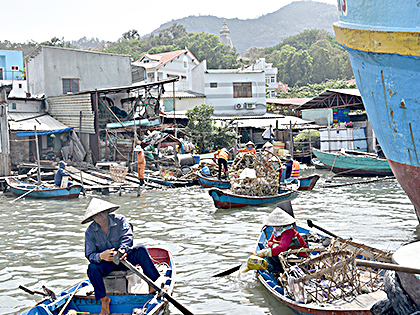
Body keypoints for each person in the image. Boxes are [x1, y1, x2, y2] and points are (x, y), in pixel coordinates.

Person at [82, 198, 160, 315]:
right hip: (107, 263)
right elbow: (90, 254)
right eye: (96, 215)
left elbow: (128, 237)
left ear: (107, 212)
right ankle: (104, 300)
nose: (100, 217)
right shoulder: (90, 232)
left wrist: (122, 250)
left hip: (125, 259)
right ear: (92, 218)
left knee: (141, 250)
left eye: (102, 213)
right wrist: (101, 256)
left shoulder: (120, 220)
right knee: (92, 268)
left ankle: (152, 286)